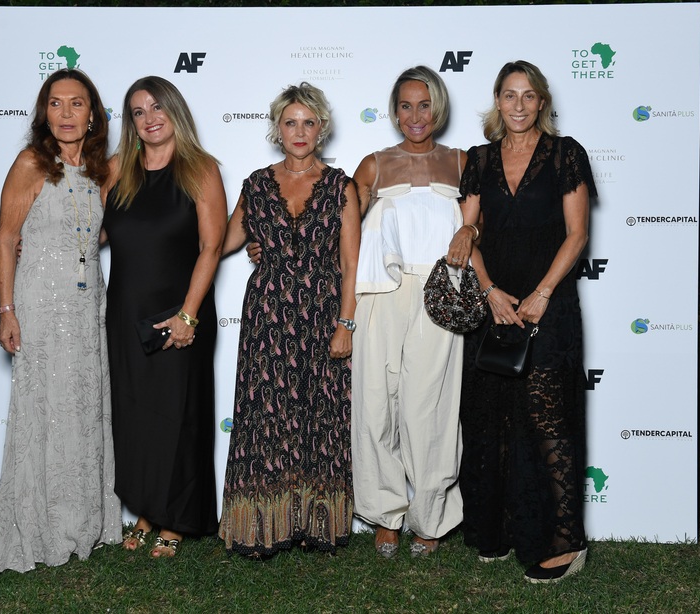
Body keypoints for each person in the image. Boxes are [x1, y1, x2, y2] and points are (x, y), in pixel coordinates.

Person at [457, 60, 595, 583]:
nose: (519, 105)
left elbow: (577, 235)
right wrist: (489, 290)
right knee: (492, 417)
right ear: (497, 100)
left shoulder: (565, 154)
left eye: (528, 95)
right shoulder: (479, 159)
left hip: (548, 303)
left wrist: (542, 293)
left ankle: (565, 541)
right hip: (495, 302)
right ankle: (501, 530)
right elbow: (468, 232)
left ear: (542, 102)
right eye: (509, 95)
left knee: (546, 417)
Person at [0, 69, 121, 572]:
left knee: (84, 409)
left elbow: (99, 231)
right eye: (56, 104)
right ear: (45, 113)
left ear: (93, 114)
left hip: (88, 305)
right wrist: (7, 310)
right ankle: (42, 525)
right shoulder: (30, 163)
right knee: (46, 410)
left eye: (76, 103)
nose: (65, 114)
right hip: (40, 304)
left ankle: (86, 521)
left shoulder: (104, 170)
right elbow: (5, 239)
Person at [218, 82, 360, 557]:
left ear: (322, 129)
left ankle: (316, 522)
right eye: (290, 122)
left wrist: (345, 324)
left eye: (309, 122)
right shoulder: (257, 185)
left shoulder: (341, 187)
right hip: (268, 315)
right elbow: (220, 243)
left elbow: (351, 264)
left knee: (321, 415)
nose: (299, 131)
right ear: (277, 129)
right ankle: (264, 524)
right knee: (266, 417)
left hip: (322, 313)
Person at [351, 66, 477, 558]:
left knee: (431, 407)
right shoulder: (374, 165)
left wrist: (471, 230)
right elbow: (339, 233)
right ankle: (385, 515)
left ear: (438, 108)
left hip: (441, 290)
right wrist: (270, 243)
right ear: (394, 111)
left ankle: (431, 516)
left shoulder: (463, 162)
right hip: (381, 291)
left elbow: (483, 222)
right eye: (406, 105)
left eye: (424, 105)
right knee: (375, 402)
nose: (415, 116)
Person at [102, 76, 227, 558]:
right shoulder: (118, 169)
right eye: (138, 111)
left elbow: (211, 246)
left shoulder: (200, 168)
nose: (149, 118)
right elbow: (94, 232)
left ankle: (175, 519)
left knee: (179, 415)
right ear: (131, 122)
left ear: (175, 111)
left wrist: (188, 316)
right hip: (125, 311)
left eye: (157, 107)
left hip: (180, 311)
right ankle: (145, 512)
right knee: (135, 416)